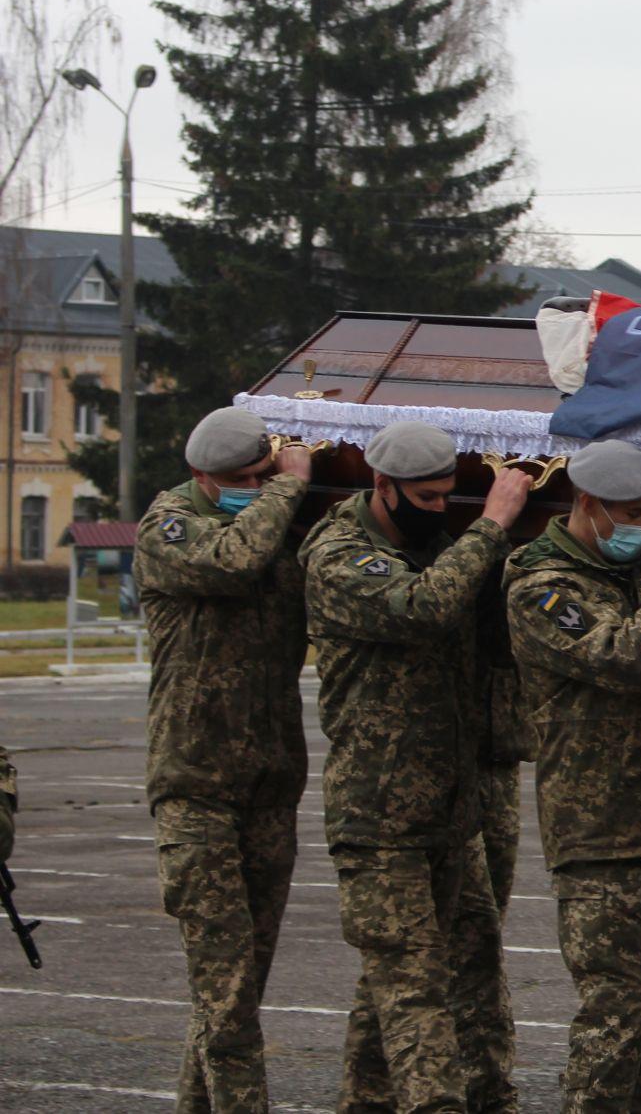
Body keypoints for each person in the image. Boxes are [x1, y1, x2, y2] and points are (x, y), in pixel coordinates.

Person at [301, 421, 530, 1114]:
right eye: (426, 497)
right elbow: (421, 607)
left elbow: (493, 637)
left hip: (448, 809)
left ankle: (387, 1101)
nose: (438, 509)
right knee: (411, 987)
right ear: (382, 484)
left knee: (454, 974)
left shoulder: (439, 546)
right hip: (379, 816)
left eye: (445, 497)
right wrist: (491, 525)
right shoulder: (339, 553)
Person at [502, 441, 641, 1111]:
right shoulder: (540, 585)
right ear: (587, 505)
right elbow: (624, 655)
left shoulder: (640, 572)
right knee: (615, 1010)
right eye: (630, 512)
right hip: (597, 831)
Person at [134, 408, 314, 1114]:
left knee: (236, 986)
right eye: (240, 481)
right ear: (200, 476)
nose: (253, 489)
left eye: (260, 478)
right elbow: (231, 560)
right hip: (194, 783)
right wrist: (287, 490)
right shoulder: (169, 525)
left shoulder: (275, 523)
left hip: (270, 780)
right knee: (226, 988)